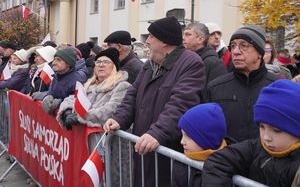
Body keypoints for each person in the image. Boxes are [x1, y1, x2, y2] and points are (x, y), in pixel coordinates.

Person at [104, 16, 206, 187]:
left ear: (164, 42)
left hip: (168, 151)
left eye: (151, 37)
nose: (148, 41)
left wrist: (157, 133)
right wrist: (119, 118)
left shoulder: (191, 63)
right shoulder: (150, 64)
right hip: (146, 147)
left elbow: (180, 104)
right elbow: (133, 94)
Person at [201, 79, 300, 186]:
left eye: (277, 130)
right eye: (262, 126)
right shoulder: (256, 147)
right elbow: (217, 162)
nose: (266, 137)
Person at [57, 48, 131, 186]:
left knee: (107, 178)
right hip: (89, 142)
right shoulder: (89, 85)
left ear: (114, 67)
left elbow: (109, 111)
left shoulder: (122, 86)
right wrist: (66, 111)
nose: (101, 65)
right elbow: (71, 99)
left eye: (106, 62)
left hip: (110, 145)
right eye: (98, 62)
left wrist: (80, 117)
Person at [205, 25, 278, 142]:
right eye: (233, 46)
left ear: (260, 53)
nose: (236, 52)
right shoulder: (215, 88)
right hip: (227, 158)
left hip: (268, 158)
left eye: (244, 46)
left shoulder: (278, 87)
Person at [173, 103, 227, 187]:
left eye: (188, 136)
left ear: (205, 140)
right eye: (182, 135)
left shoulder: (227, 167)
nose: (182, 141)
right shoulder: (181, 164)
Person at [33, 48, 88, 115]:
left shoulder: (77, 80)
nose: (54, 63)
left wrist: (61, 103)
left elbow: (77, 102)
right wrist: (46, 97)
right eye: (54, 59)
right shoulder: (56, 76)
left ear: (68, 63)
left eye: (58, 60)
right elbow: (52, 94)